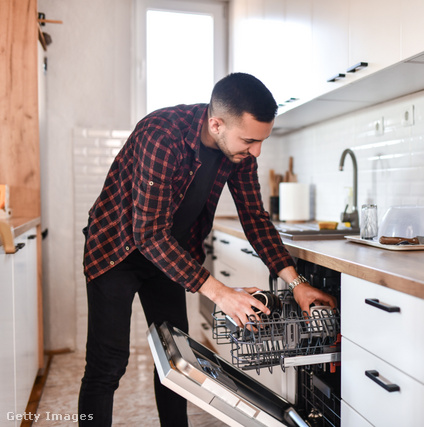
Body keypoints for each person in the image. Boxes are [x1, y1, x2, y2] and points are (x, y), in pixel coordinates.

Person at [78, 72, 336, 426]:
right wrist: (221, 293)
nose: (256, 151)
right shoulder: (162, 134)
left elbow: (255, 219)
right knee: (107, 364)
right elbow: (148, 234)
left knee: (176, 359)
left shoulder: (239, 153)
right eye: (249, 140)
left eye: (262, 140)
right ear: (216, 124)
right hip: (116, 250)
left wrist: (296, 283)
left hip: (169, 256)